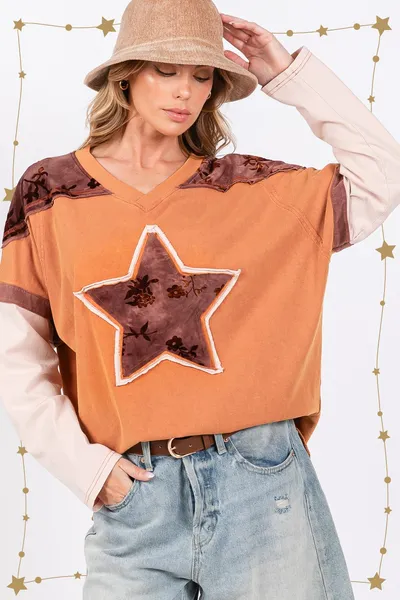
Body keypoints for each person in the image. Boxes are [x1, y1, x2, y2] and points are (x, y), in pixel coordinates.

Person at [0, 0, 399, 598]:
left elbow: (382, 174)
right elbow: (17, 353)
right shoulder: (51, 192)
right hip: (133, 499)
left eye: (202, 74)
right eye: (166, 70)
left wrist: (285, 72)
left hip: (262, 486)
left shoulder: (251, 188)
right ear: (125, 76)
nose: (185, 90)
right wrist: (87, 470)